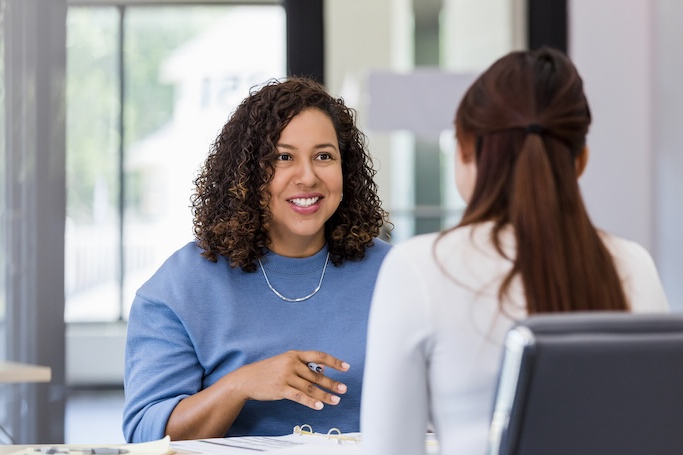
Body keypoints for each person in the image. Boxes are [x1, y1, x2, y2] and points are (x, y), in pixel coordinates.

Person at [360, 47, 669, 455]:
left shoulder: (420, 268)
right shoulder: (633, 265)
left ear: (465, 149)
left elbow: (390, 448)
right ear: (580, 161)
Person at [123, 77, 392, 442]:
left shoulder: (397, 276)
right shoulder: (181, 287)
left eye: (324, 156)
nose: (308, 176)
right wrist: (239, 386)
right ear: (246, 174)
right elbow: (146, 437)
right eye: (283, 157)